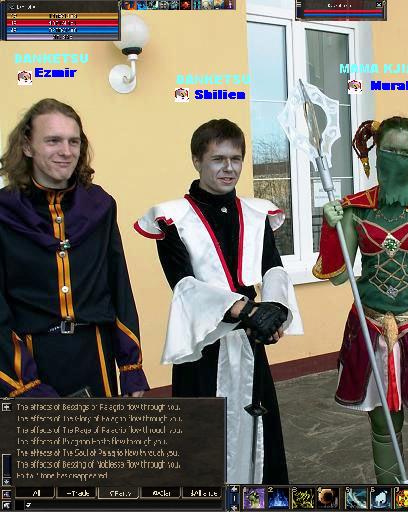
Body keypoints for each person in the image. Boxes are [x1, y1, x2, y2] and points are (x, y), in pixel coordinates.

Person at [135, 119, 302, 484]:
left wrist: (276, 311)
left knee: (259, 436)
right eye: (217, 159)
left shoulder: (256, 213)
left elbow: (273, 267)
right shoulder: (172, 218)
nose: (229, 168)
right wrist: (247, 310)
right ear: (197, 160)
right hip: (204, 348)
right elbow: (183, 284)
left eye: (236, 159)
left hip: (250, 340)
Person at [315, 117, 408, 484]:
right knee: (384, 430)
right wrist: (331, 228)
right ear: (374, 153)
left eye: (405, 152)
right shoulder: (355, 209)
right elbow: (338, 276)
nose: (397, 158)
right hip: (371, 330)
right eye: (389, 151)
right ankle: (390, 500)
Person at [0, 98, 149, 398]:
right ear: (27, 146)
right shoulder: (4, 211)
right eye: (53, 140)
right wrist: (24, 382)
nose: (66, 151)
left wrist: (131, 366)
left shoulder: (100, 205)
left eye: (74, 141)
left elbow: (117, 284)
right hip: (31, 360)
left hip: (95, 353)